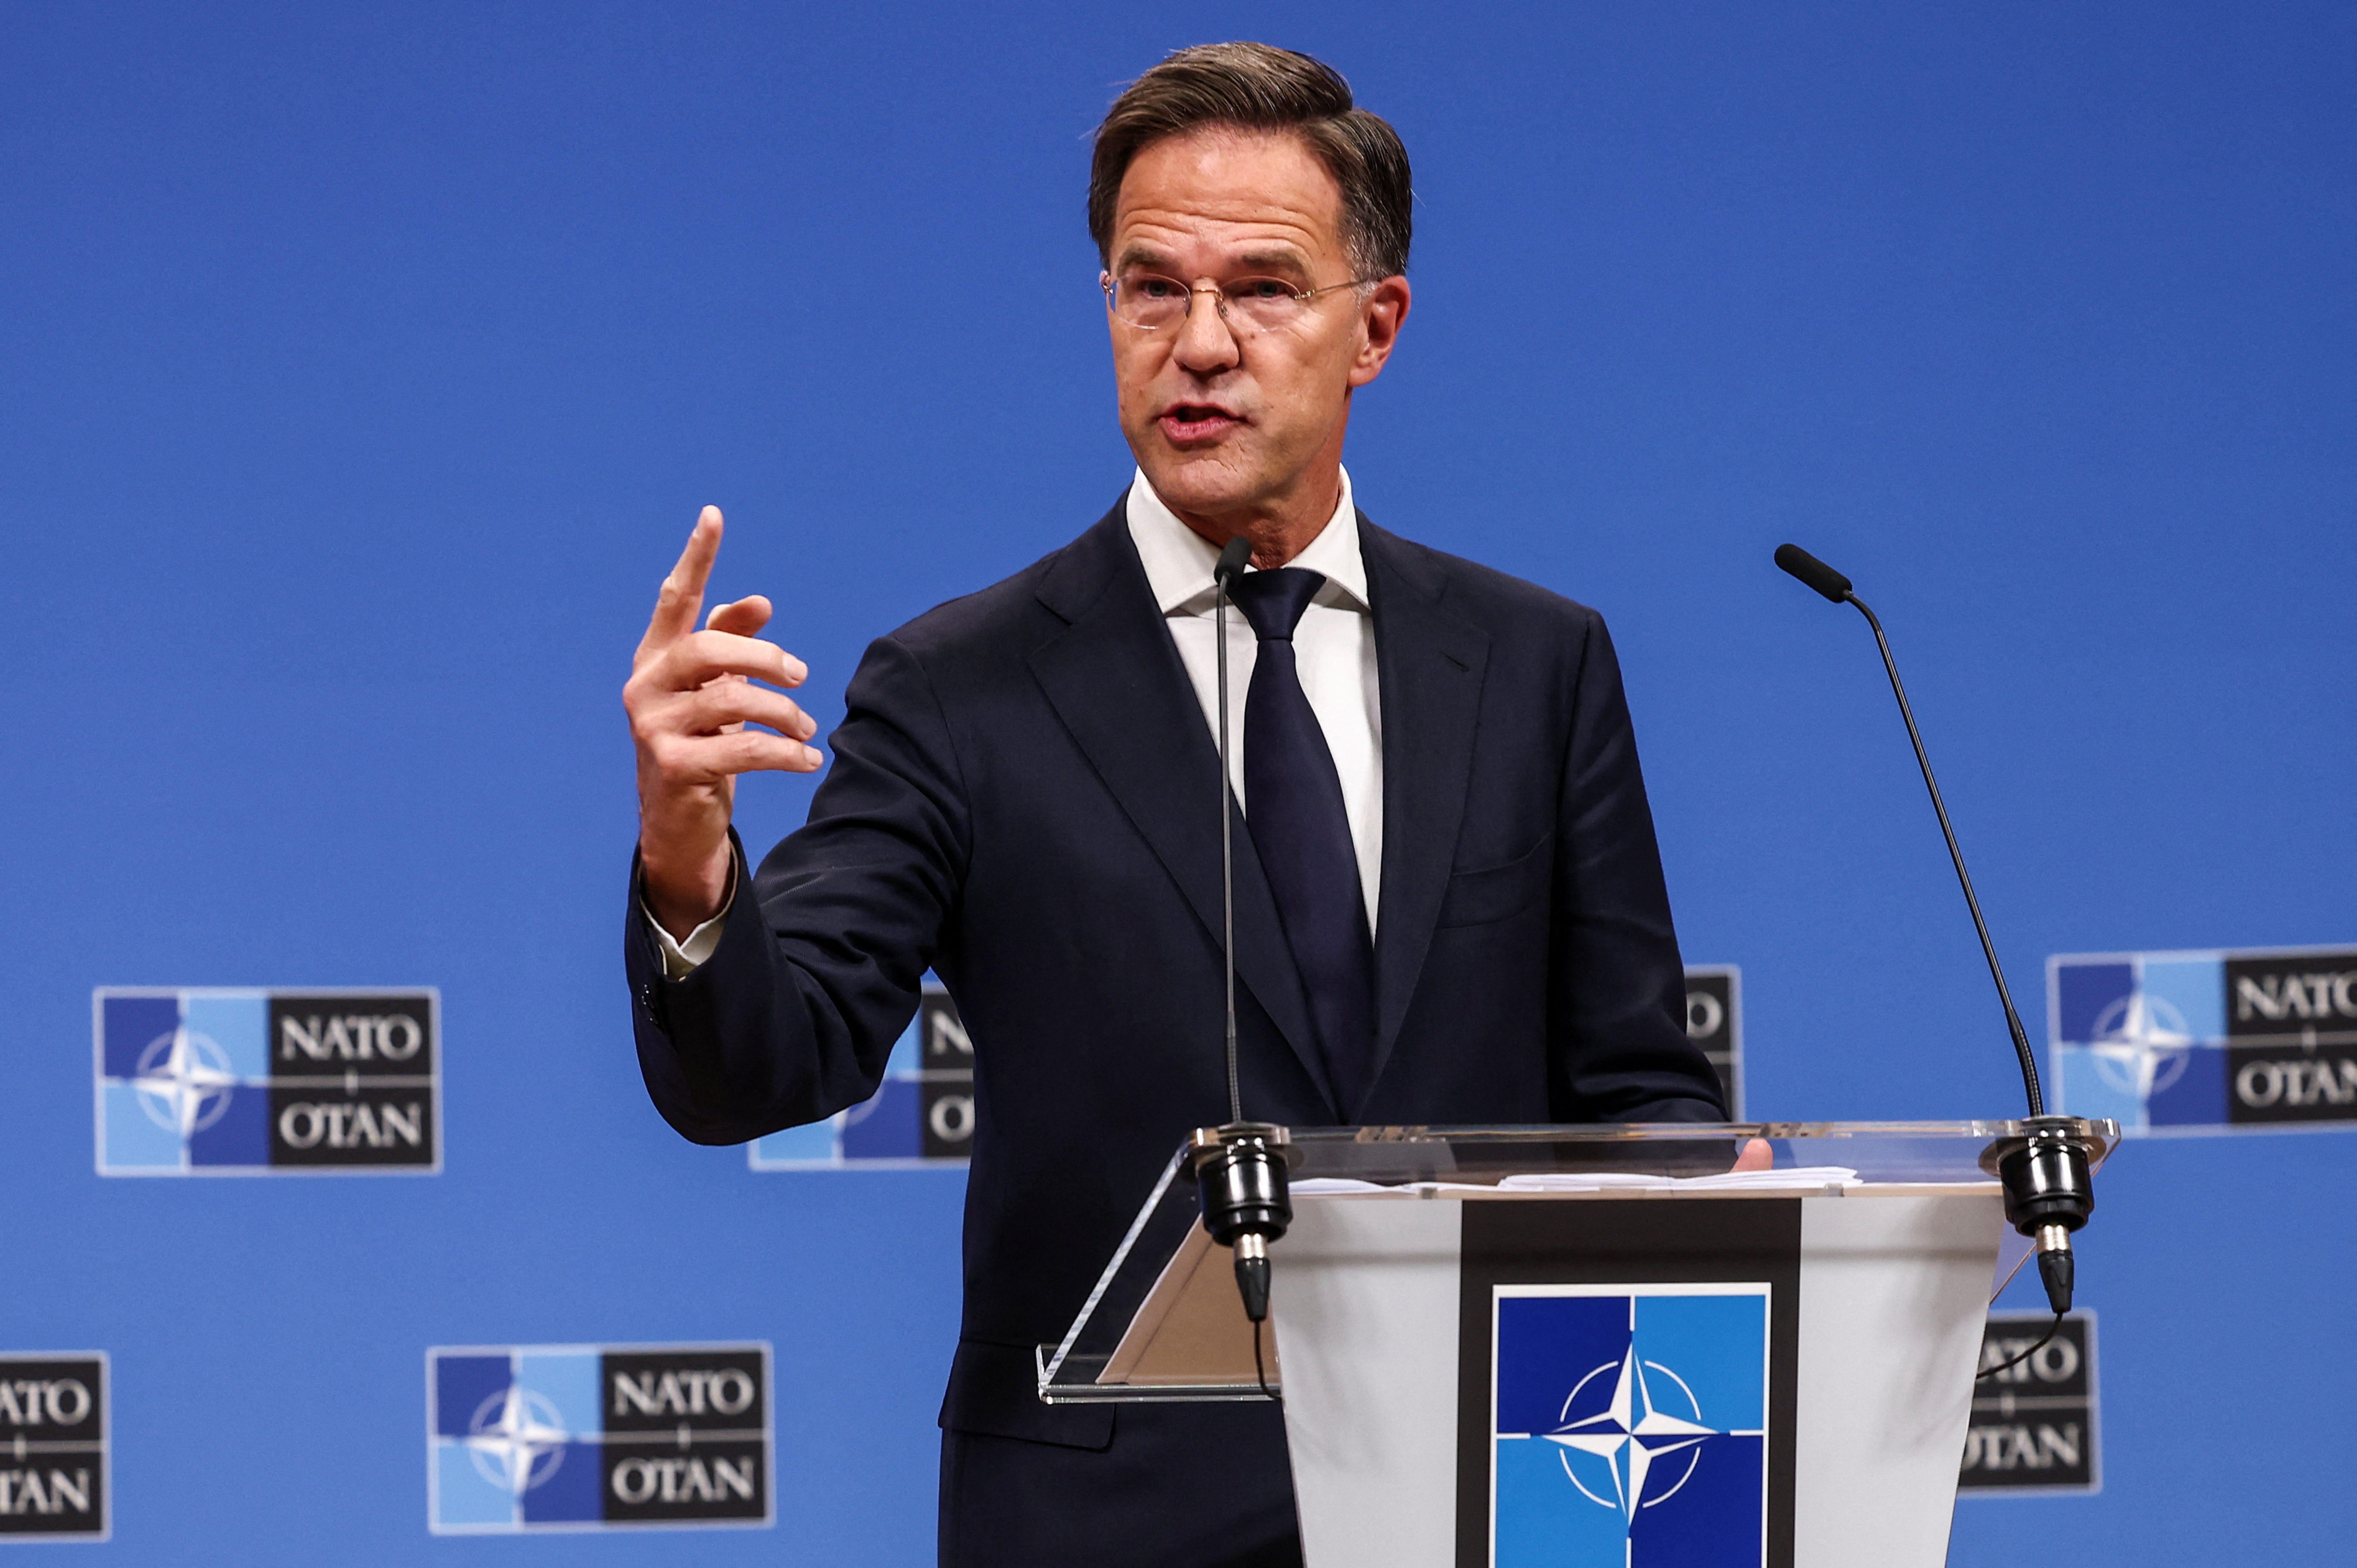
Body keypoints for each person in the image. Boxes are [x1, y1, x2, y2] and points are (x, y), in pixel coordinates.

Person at [621, 41, 1727, 1567]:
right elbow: (765, 1061)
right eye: (1152, 287)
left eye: (1263, 288)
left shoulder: (1533, 665)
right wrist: (690, 862)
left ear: (1374, 328)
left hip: (1499, 1499)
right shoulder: (963, 686)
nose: (1199, 343)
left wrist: (1714, 1221)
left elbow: (1637, 1095)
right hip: (1104, 1519)